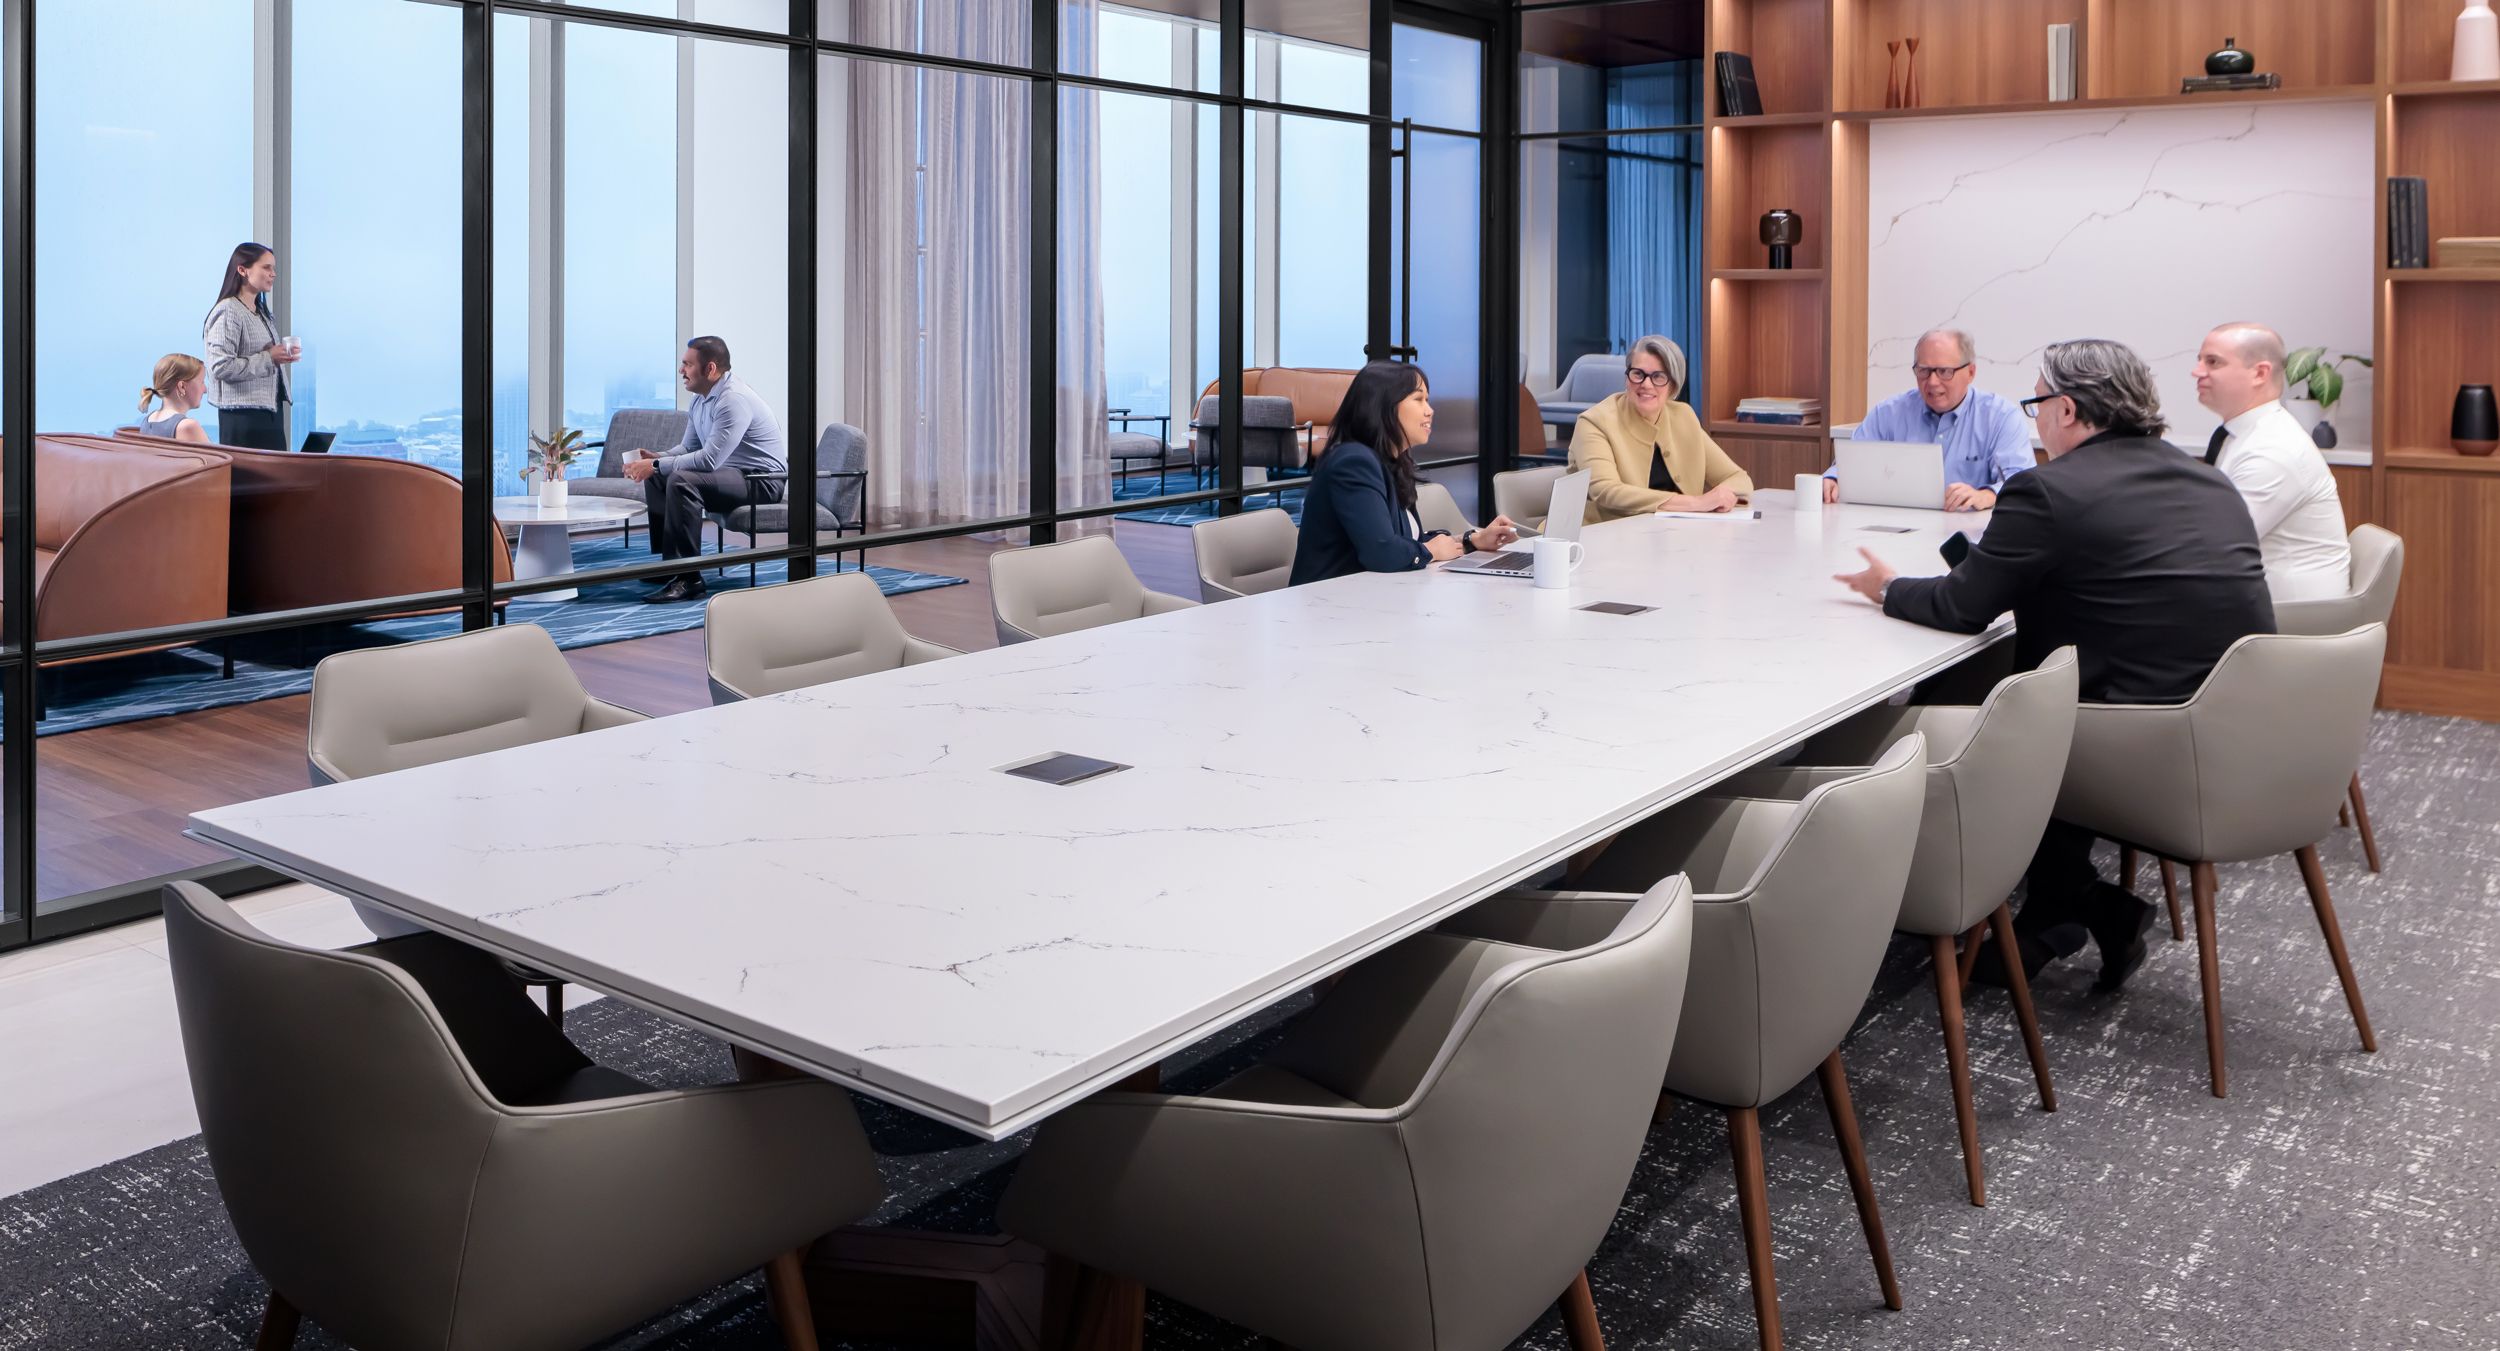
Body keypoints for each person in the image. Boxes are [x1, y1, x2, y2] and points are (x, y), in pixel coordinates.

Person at [1833, 338, 2274, 992]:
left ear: (2067, 410)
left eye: (2038, 402)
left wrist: (1888, 587)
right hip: (2238, 731)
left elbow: (1963, 608)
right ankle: (2064, 913)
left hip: (2140, 743)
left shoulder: (2047, 491)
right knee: (2037, 690)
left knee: (1988, 720)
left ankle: (2028, 910)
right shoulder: (2209, 479)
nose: (2034, 418)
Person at [1289, 361, 1519, 586]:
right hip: (1327, 605)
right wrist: (1430, 550)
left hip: (1367, 598)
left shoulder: (1389, 461)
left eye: (1427, 400)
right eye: (1418, 399)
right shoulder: (1353, 462)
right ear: (1383, 406)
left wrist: (1473, 541)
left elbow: (1406, 542)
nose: (1430, 411)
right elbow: (1381, 552)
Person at [2192, 322, 2352, 603]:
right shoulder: (2245, 435)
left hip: (2291, 624)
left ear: (2260, 373)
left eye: (2213, 362)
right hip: (2261, 605)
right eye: (2200, 361)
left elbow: (2216, 546)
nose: (2197, 372)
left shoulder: (2273, 450)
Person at [622, 336, 787, 603]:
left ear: (710, 369)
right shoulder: (701, 398)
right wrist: (656, 458)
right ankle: (671, 567)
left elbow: (709, 460)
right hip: (734, 474)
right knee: (661, 474)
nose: (681, 371)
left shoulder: (733, 400)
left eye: (687, 365)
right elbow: (688, 448)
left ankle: (690, 579)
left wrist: (654, 465)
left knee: (679, 480)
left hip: (762, 481)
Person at [1824, 328, 2033, 511]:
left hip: (1968, 537)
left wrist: (1987, 495)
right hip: (1897, 529)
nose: (1932, 382)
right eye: (1924, 371)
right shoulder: (1889, 413)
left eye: (1944, 372)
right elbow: (1852, 462)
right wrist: (1834, 478)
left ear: (1970, 372)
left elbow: (2021, 485)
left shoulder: (2001, 417)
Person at [1569, 336, 1752, 523]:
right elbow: (1606, 491)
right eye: (1638, 374)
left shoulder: (1683, 416)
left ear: (1672, 385)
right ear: (1627, 378)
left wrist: (1721, 497)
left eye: (1658, 376)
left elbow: (1738, 478)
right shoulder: (1594, 422)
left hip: (1674, 535)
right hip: (1600, 535)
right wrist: (1696, 503)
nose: (1646, 384)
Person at [202, 242, 300, 451]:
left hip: (267, 412)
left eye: (274, 268)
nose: (273, 274)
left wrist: (280, 354)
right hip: (244, 417)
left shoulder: (260, 312)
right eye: (266, 267)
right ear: (242, 270)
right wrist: (269, 358)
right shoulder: (229, 311)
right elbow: (220, 367)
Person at [135, 354, 212, 444]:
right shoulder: (187, 426)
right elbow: (217, 457)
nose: (205, 390)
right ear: (182, 387)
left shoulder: (146, 422)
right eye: (201, 382)